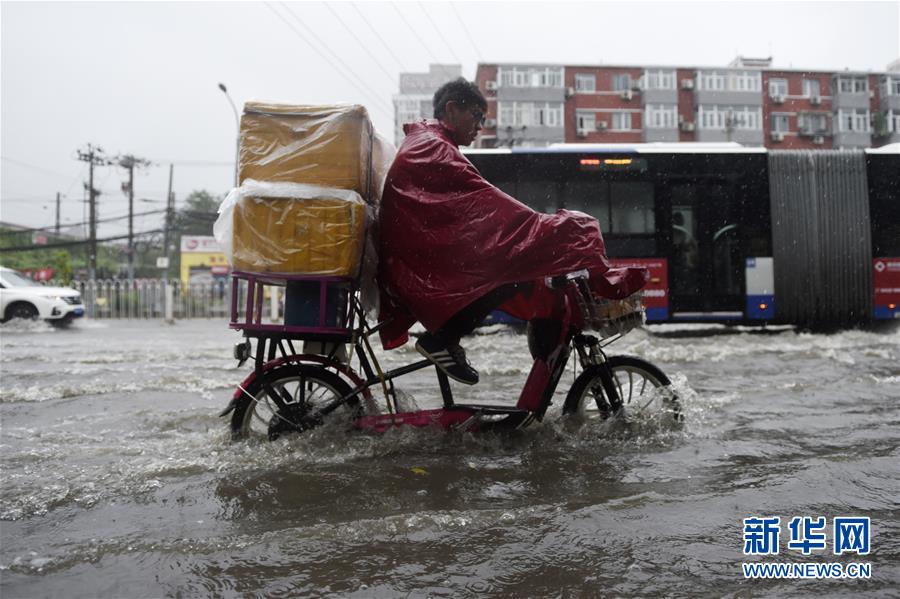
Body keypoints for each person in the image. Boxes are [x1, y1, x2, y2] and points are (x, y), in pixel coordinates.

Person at [377, 78, 646, 385]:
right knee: (509, 278)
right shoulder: (434, 149)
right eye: (477, 116)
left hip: (420, 258)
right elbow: (489, 207)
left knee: (517, 273)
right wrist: (551, 229)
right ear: (452, 110)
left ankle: (453, 341)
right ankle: (442, 340)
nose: (480, 126)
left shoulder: (431, 143)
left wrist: (539, 230)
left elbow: (481, 206)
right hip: (418, 263)